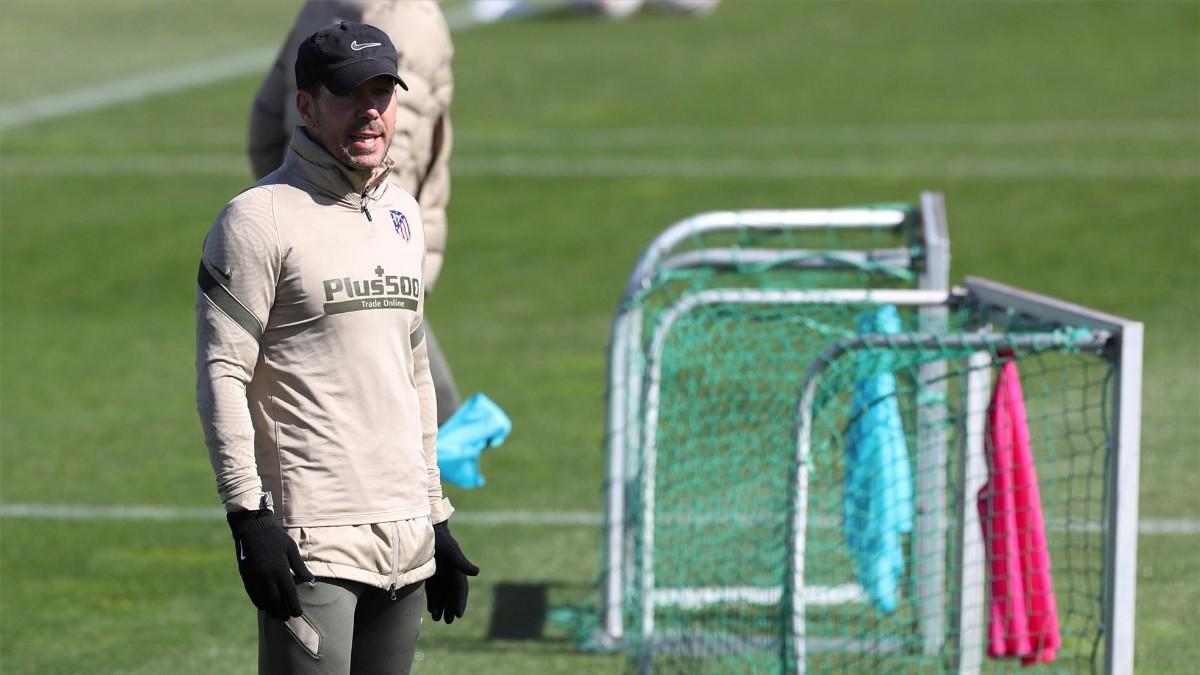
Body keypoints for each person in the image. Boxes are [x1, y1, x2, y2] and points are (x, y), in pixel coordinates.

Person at [197, 21, 478, 674]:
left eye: (382, 92)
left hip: (406, 543)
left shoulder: (401, 215)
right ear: (306, 105)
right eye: (350, 94)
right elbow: (222, 373)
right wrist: (248, 517)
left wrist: (433, 514)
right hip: (313, 544)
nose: (370, 111)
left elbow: (412, 374)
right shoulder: (256, 220)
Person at [248, 0, 462, 426]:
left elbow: (265, 125)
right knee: (405, 423)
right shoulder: (410, 18)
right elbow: (378, 151)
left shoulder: (319, 9)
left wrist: (285, 207)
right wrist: (377, 242)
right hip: (378, 252)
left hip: (308, 238)